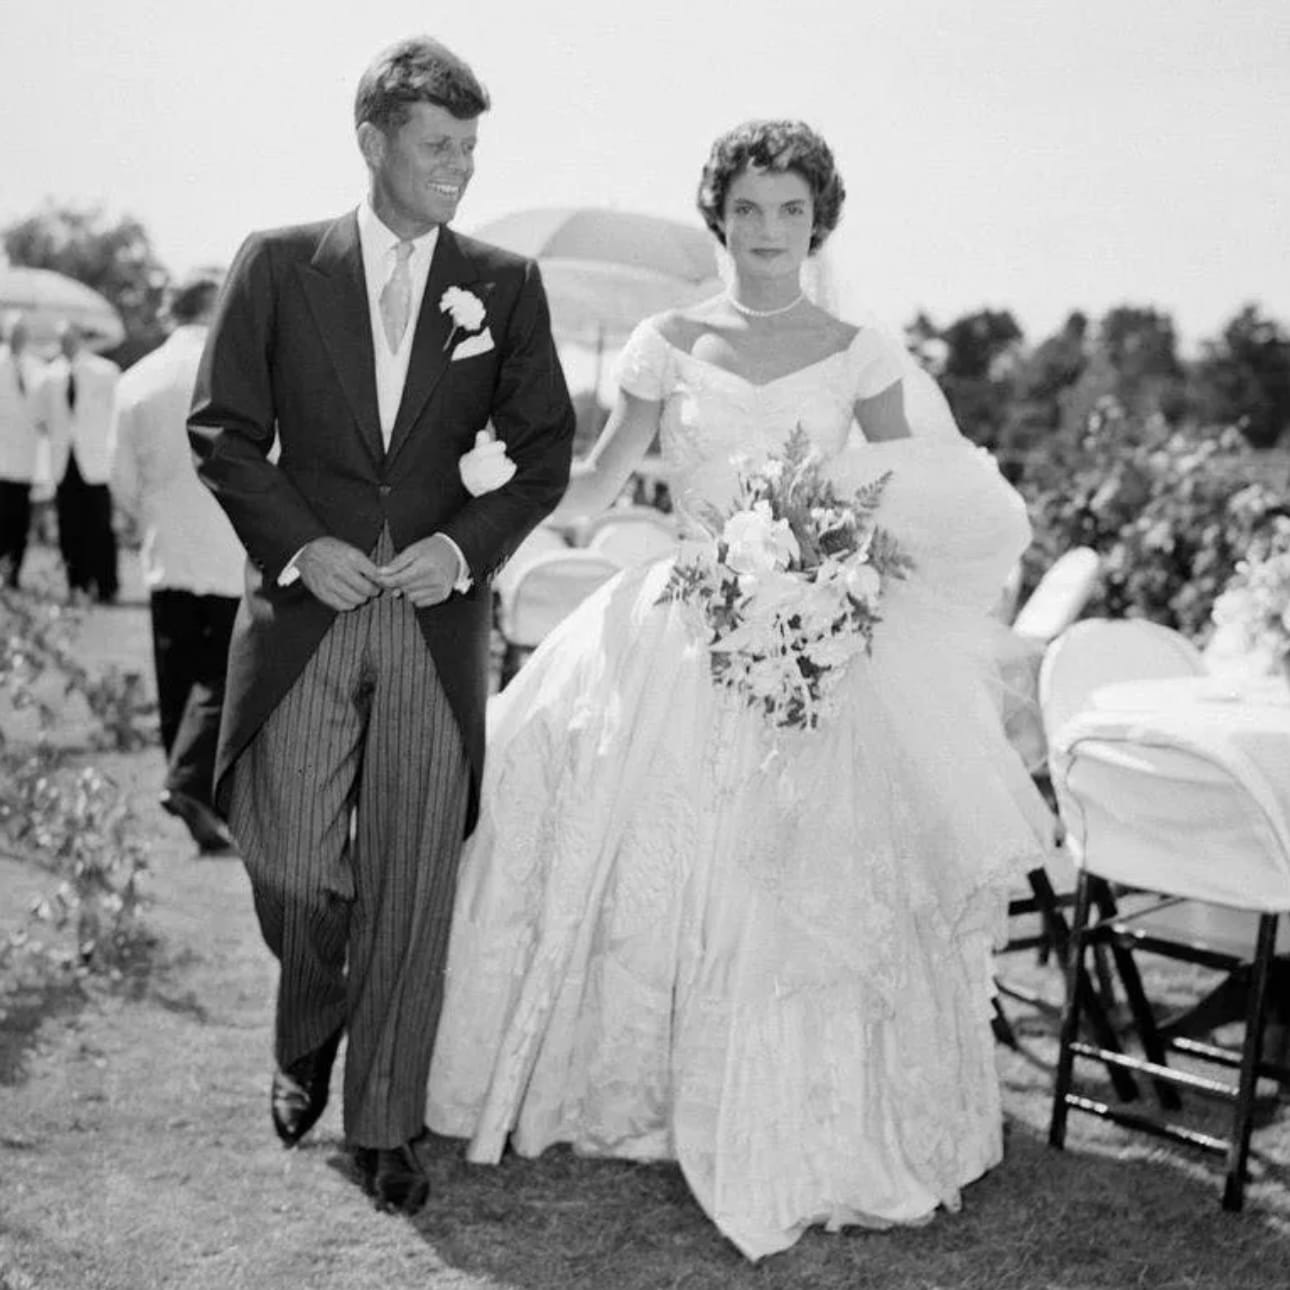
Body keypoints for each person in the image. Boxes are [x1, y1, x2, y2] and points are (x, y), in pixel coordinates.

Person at [426, 120, 1053, 1260]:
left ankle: (810, 1102)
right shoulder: (666, 342)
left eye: (791, 211)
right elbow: (600, 479)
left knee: (809, 865)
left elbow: (911, 492)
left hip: (818, 629)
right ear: (718, 215)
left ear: (820, 222)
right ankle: (637, 1083)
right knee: (622, 828)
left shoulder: (860, 351)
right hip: (680, 619)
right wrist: (481, 496)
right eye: (750, 208)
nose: (769, 231)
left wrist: (837, 570)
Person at [188, 36, 575, 1215]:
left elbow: (544, 453)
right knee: (294, 859)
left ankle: (387, 1122)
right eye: (436, 143)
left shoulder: (504, 284)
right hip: (307, 609)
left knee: (412, 876)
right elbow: (223, 432)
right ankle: (309, 1018)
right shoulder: (275, 264)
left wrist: (459, 551)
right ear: (373, 141)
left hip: (434, 620)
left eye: (470, 146)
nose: (459, 165)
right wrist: (302, 544)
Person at [110, 271, 242, 854]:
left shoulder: (137, 378)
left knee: (178, 676)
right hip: (231, 543)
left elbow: (120, 476)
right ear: (216, 308)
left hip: (166, 549)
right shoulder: (237, 368)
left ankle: (186, 787)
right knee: (225, 672)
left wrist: (146, 518)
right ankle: (192, 786)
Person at [37, 321, 121, 602]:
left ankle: (106, 585)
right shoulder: (49, 375)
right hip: (64, 462)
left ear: (80, 340)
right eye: (63, 340)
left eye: (71, 339)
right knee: (70, 527)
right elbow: (42, 418)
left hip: (95, 463)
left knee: (100, 526)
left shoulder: (105, 371)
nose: (67, 345)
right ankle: (77, 583)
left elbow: (116, 414)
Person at [0, 312, 42, 589]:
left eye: (22, 332)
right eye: (14, 331)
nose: (18, 337)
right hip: (2, 460)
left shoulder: (35, 367)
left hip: (25, 462)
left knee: (19, 522)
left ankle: (13, 574)